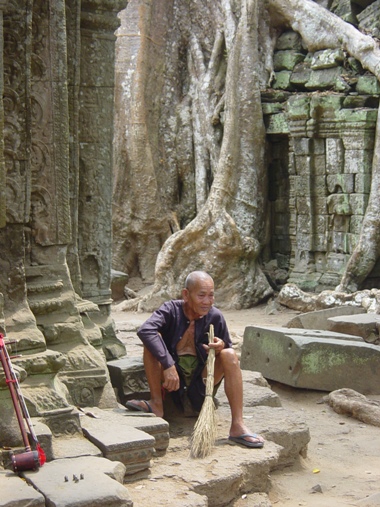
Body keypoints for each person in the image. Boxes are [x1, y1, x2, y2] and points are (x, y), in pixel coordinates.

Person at [126, 271, 265, 448]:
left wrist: (221, 346)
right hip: (172, 384)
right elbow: (145, 330)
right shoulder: (170, 310)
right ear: (186, 294)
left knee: (229, 354)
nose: (207, 301)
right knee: (151, 342)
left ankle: (237, 426)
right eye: (201, 295)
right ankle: (156, 404)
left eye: (211, 295)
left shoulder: (215, 317)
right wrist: (168, 365)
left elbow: (227, 350)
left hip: (202, 386)